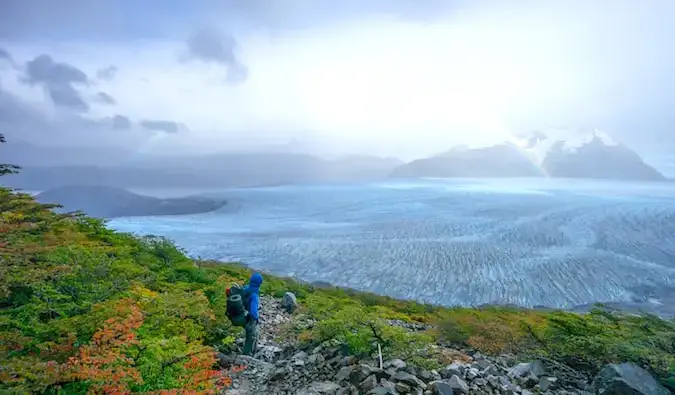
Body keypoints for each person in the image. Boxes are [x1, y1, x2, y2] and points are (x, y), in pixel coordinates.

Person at [242, 272, 263, 356]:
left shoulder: (245, 288)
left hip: (241, 314)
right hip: (248, 318)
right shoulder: (254, 294)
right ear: (259, 283)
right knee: (252, 335)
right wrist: (256, 319)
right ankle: (247, 354)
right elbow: (253, 312)